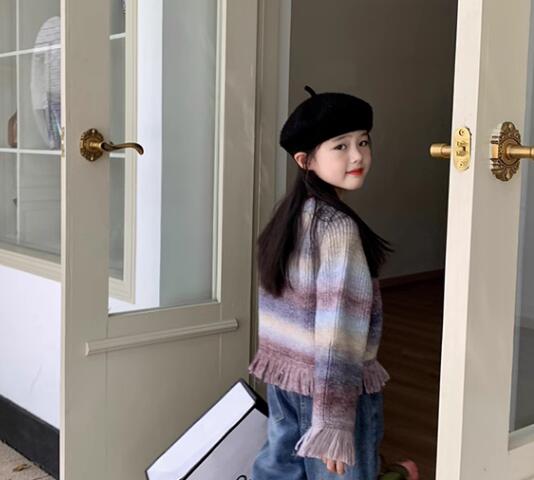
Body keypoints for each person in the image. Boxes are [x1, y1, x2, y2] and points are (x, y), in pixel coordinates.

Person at [248, 85, 413, 479]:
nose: (357, 156)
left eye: (363, 142)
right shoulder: (338, 229)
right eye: (341, 146)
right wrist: (333, 422)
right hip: (331, 394)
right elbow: (339, 333)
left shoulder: (292, 217)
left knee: (278, 471)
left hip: (288, 381)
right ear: (305, 160)